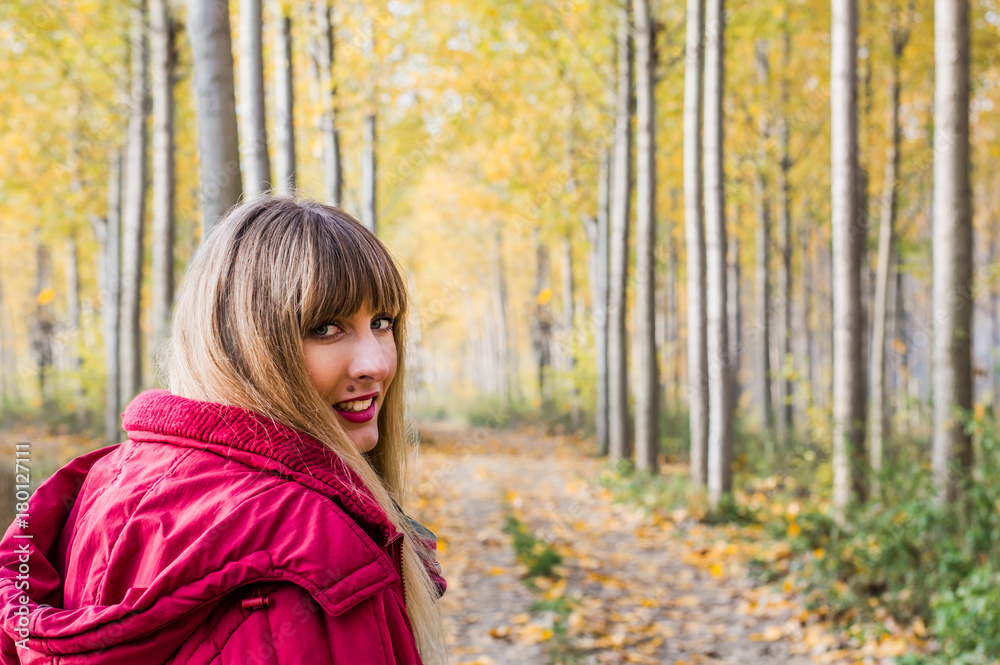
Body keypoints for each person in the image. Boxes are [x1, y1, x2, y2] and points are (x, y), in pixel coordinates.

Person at [0, 195, 449, 664]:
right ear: (242, 345)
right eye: (326, 328)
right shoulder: (317, 554)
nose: (377, 363)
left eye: (382, 322)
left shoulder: (100, 482)